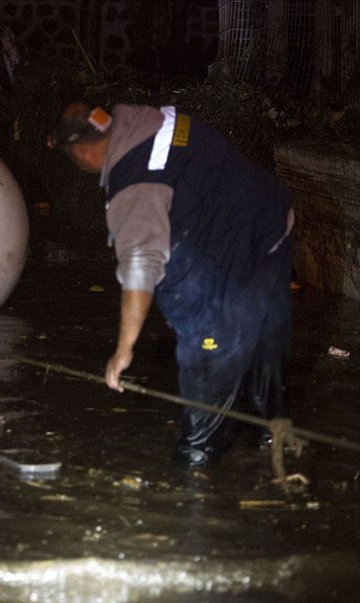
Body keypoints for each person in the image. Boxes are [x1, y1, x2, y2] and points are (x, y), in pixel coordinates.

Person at [48, 101, 295, 465]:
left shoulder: (134, 190)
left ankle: (195, 469)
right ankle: (276, 436)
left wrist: (124, 349)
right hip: (273, 222)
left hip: (237, 247)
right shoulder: (153, 119)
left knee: (206, 348)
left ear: (83, 152)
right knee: (264, 334)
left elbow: (139, 267)